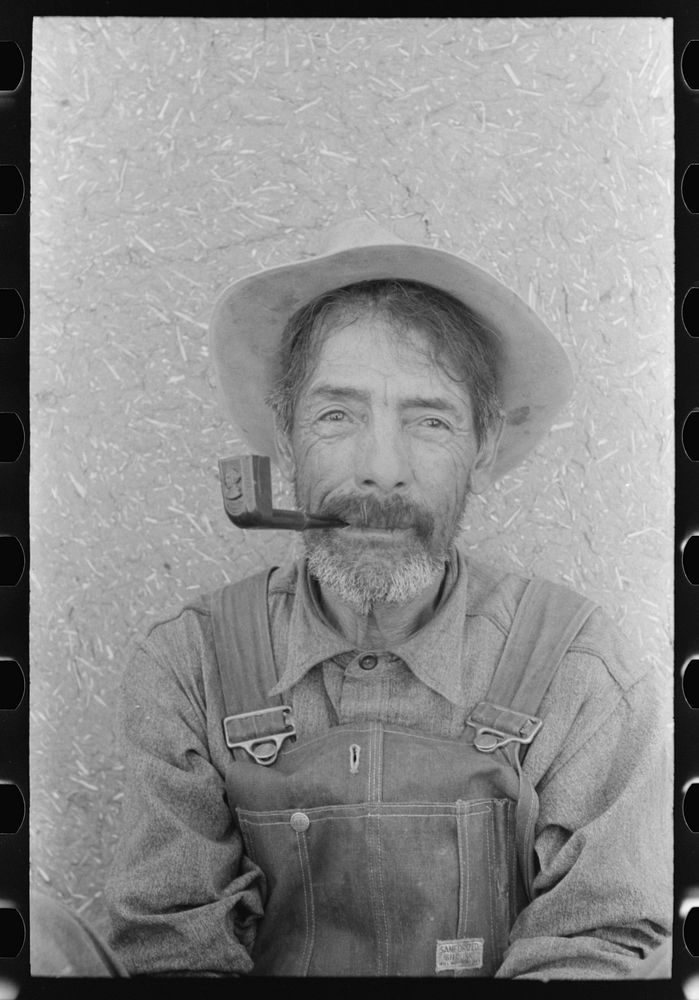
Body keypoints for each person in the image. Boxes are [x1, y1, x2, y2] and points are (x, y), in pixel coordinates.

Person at [92, 219, 669, 979]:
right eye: (337, 416)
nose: (381, 471)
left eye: (429, 420)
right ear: (285, 433)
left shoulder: (577, 666)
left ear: (484, 445)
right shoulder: (186, 665)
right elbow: (171, 951)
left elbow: (599, 942)